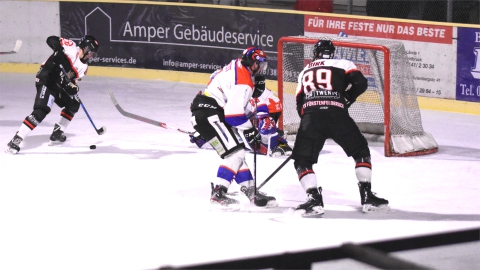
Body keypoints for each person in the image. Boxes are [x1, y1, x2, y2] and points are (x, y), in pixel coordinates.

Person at [291, 39, 389, 217]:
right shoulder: (343, 63)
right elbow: (361, 83)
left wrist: (310, 120)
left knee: (302, 160)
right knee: (361, 152)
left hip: (312, 117)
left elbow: (299, 101)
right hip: (338, 115)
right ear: (332, 52)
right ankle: (367, 197)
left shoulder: (305, 70)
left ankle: (313, 199)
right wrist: (346, 99)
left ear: (315, 54)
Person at [190, 46, 278, 209]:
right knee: (236, 154)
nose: (262, 69)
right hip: (211, 115)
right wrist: (251, 130)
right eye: (261, 65)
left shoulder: (238, 65)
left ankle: (250, 190)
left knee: (235, 154)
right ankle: (219, 193)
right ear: (253, 63)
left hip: (207, 114)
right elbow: (233, 115)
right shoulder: (243, 80)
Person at [5, 35, 99, 154]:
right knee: (42, 110)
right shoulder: (70, 47)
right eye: (91, 52)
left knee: (74, 103)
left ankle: (57, 133)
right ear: (85, 48)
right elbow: (51, 39)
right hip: (47, 79)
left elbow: (71, 83)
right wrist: (58, 48)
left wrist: (72, 87)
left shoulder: (84, 68)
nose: (92, 55)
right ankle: (16, 139)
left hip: (58, 86)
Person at [190, 75, 293, 157]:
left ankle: (278, 142)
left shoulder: (239, 91)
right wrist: (204, 132)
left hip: (271, 107)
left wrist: (267, 142)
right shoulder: (227, 91)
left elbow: (259, 110)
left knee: (257, 128)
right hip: (260, 107)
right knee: (238, 122)